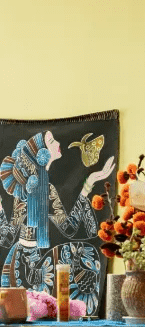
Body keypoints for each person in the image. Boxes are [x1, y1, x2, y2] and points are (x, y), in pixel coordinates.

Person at [0, 131, 115, 315]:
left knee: (82, 254)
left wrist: (90, 182)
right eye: (51, 141)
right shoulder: (24, 192)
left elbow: (69, 228)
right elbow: (7, 238)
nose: (57, 143)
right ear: (42, 154)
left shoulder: (49, 190)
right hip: (21, 264)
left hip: (43, 259)